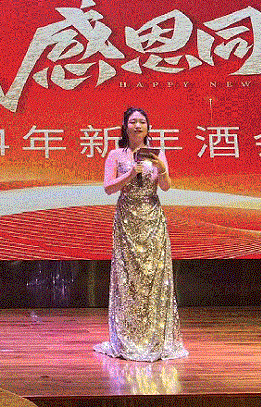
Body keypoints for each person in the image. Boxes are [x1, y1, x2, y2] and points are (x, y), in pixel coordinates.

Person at [94, 107, 187, 362]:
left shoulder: (157, 154)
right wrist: (130, 174)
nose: (137, 126)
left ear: (148, 127)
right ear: (125, 126)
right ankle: (128, 336)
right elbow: (108, 188)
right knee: (128, 278)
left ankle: (155, 336)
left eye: (142, 122)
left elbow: (165, 187)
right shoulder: (115, 154)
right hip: (127, 218)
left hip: (152, 217)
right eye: (133, 121)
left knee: (154, 276)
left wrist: (162, 168)